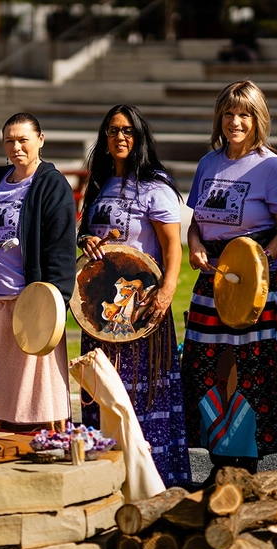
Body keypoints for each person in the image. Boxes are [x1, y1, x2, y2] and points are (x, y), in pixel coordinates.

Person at [182, 80, 277, 486]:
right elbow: (195, 223)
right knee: (208, 366)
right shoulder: (208, 163)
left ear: (258, 120)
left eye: (245, 114)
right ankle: (219, 453)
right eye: (230, 113)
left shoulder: (271, 166)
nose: (236, 121)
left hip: (258, 281)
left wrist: (257, 263)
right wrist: (195, 246)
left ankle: (245, 460)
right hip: (212, 282)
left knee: (252, 369)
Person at [77, 105, 188, 487]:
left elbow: (173, 246)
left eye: (127, 131)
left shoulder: (155, 185)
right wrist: (86, 239)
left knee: (145, 392)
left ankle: (155, 480)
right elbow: (86, 237)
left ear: (139, 137)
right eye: (112, 131)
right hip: (101, 311)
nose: (119, 137)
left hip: (143, 307)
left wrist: (167, 291)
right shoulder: (99, 183)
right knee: (103, 389)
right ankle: (105, 480)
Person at [0, 113, 77, 433]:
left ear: (40, 140)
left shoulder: (52, 185)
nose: (15, 147)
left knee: (32, 394)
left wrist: (51, 307)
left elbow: (61, 252)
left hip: (30, 304)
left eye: (23, 140)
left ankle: (39, 450)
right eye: (9, 140)